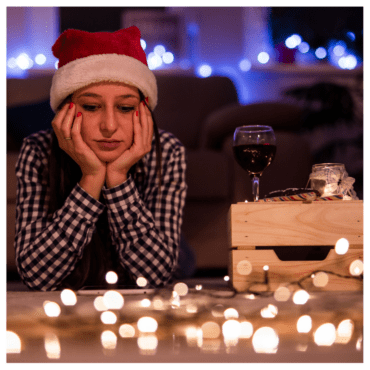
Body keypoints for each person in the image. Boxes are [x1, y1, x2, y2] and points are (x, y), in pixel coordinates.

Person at [14, 26, 187, 291]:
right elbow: (37, 278)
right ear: (66, 112)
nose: (109, 126)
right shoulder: (37, 151)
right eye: (92, 107)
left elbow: (156, 277)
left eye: (125, 108)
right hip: (79, 282)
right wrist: (92, 177)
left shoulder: (167, 150)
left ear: (143, 112)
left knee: (182, 260)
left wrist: (117, 179)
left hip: (160, 254)